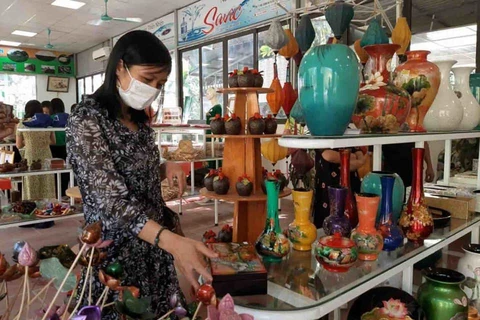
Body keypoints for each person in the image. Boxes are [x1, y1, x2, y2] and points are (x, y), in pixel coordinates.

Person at [66, 30, 217, 319]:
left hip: (155, 247)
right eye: (147, 79)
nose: (153, 89)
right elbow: (111, 203)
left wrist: (165, 167)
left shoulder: (140, 121)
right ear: (120, 67)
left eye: (159, 84)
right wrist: (174, 244)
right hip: (115, 255)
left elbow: (136, 171)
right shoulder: (86, 119)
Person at [313, 148, 366, 228]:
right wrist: (351, 157)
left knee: (352, 213)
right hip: (330, 179)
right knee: (330, 215)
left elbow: (359, 152)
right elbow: (328, 155)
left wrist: (357, 161)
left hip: (350, 178)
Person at [16, 100, 56, 200]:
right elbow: (53, 141)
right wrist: (42, 142)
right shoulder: (47, 122)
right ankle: (49, 207)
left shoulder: (23, 124)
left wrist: (29, 142)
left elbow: (19, 145)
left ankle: (31, 205)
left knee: (31, 181)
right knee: (46, 182)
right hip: (46, 155)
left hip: (31, 156)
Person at [50, 98, 68, 196]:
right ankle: (64, 192)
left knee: (54, 170)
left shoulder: (50, 118)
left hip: (53, 147)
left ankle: (56, 193)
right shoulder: (68, 116)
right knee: (65, 170)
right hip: (66, 147)